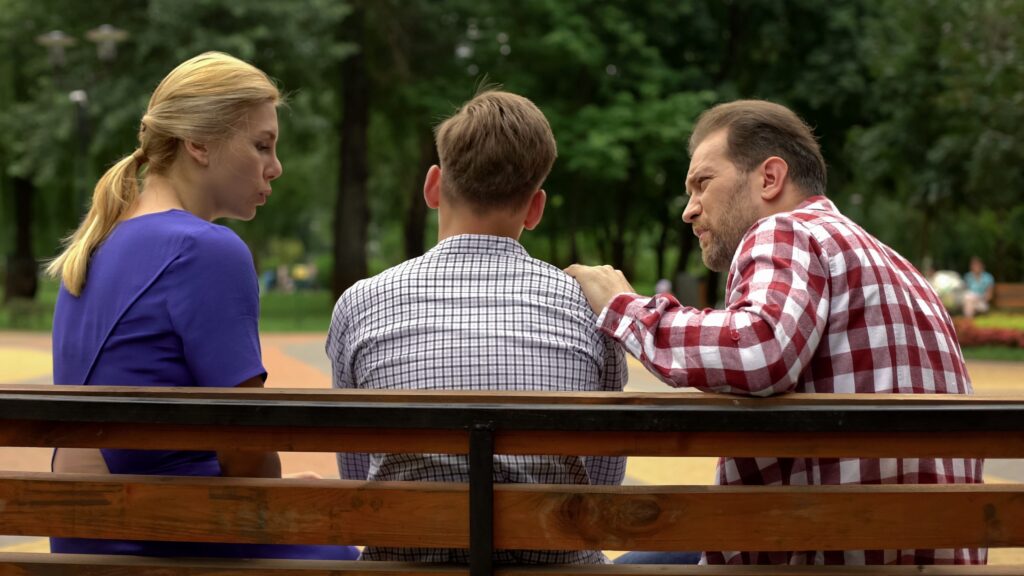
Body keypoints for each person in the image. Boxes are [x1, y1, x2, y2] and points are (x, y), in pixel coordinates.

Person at [566, 99, 983, 566]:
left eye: (702, 183)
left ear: (769, 178)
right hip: (923, 551)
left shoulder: (785, 230)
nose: (689, 210)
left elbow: (758, 349)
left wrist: (628, 309)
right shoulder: (897, 266)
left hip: (826, 554)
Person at [46, 52, 357, 561]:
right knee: (341, 549)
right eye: (261, 145)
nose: (275, 167)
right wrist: (283, 494)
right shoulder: (205, 249)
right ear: (198, 143)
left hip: (93, 534)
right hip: (172, 537)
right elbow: (247, 452)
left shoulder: (95, 245)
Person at [326, 89, 628, 564]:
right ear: (535, 207)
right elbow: (602, 477)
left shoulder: (360, 303)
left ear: (432, 186)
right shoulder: (587, 308)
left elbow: (357, 468)